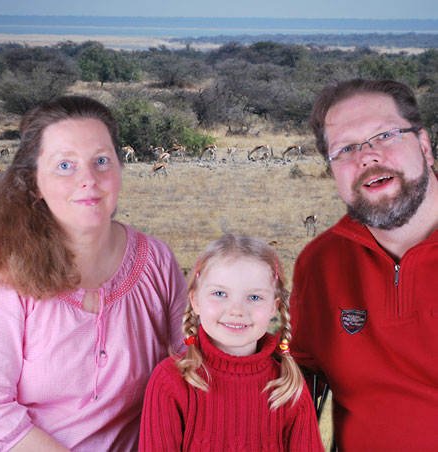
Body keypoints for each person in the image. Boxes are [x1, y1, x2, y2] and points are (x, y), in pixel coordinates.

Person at [0, 96, 187, 451]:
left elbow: (191, 370)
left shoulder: (157, 261)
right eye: (65, 165)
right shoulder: (1, 272)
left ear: (120, 169)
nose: (88, 180)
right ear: (34, 183)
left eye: (101, 161)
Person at [290, 78, 438, 451]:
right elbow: (301, 383)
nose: (367, 157)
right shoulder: (319, 263)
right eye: (345, 149)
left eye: (385, 135)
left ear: (425, 145)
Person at [139, 234, 324, 452]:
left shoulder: (287, 388)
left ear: (274, 307)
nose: (236, 310)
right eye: (220, 293)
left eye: (254, 297)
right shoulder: (171, 382)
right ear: (195, 301)